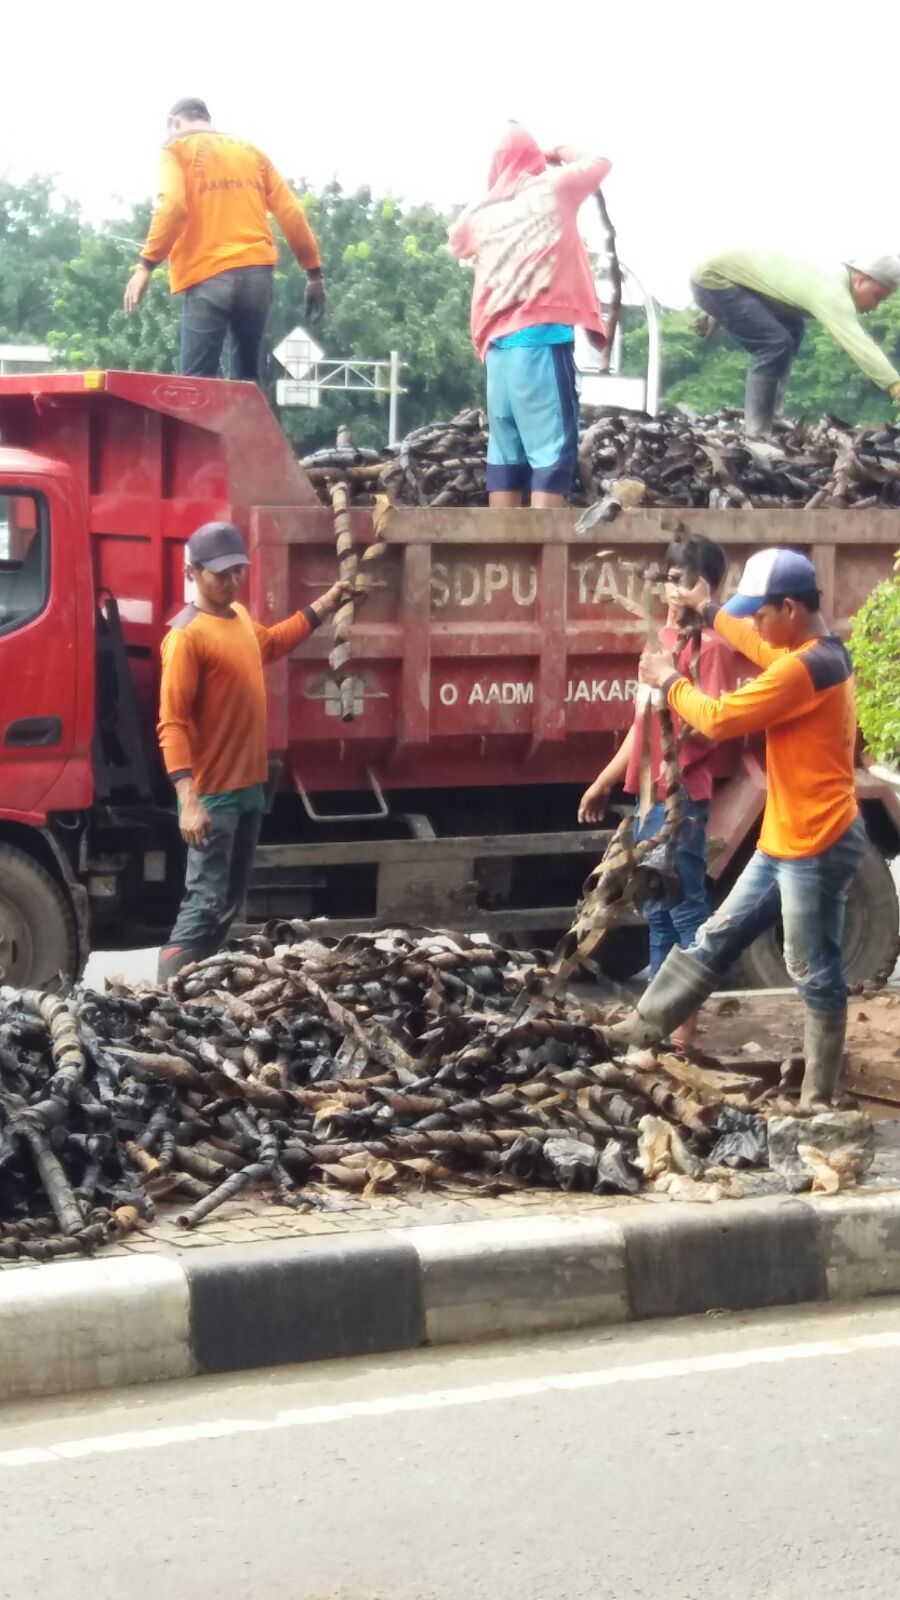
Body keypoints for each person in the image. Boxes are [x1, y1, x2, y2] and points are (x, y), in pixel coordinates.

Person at [609, 547, 867, 1110]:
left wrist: (669, 677)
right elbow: (752, 642)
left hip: (817, 843)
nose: (754, 625)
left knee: (810, 966)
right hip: (786, 837)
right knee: (714, 938)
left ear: (791, 608)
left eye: (762, 613)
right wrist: (713, 608)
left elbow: (720, 719)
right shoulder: (812, 648)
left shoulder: (804, 670)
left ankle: (817, 1098)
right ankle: (635, 1035)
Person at [156, 520, 351, 982]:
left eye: (237, 571)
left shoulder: (239, 618)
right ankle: (162, 999)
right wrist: (188, 801)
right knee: (203, 905)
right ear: (192, 572)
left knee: (227, 905)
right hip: (213, 795)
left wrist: (326, 604)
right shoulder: (186, 636)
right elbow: (172, 723)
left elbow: (270, 643)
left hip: (248, 789)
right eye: (220, 574)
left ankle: (199, 994)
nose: (231, 581)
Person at [578, 534, 737, 1047]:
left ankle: (684, 1033)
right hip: (650, 798)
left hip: (682, 797)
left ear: (704, 588)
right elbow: (640, 727)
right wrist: (603, 781)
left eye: (681, 579)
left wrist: (675, 694)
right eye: (667, 578)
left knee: (685, 906)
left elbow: (713, 726)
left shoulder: (710, 649)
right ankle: (659, 1027)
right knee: (656, 909)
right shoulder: (658, 646)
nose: (671, 589)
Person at [448, 125, 611, 508]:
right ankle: (545, 559)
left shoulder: (484, 214)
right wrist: (555, 151)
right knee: (550, 453)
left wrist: (492, 192)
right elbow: (601, 161)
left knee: (506, 454)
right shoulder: (554, 188)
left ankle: (504, 556)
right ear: (533, 160)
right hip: (539, 343)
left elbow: (456, 239)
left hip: (498, 355)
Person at [124, 97, 325, 383]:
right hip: (257, 276)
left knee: (196, 386)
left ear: (175, 123)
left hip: (209, 277)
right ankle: (243, 428)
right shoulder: (250, 151)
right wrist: (313, 272)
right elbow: (291, 211)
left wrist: (146, 265)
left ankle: (200, 428)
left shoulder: (175, 147)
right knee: (246, 382)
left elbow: (172, 206)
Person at [691, 249, 900, 439]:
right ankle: (757, 431)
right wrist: (894, 385)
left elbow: (768, 280)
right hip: (715, 280)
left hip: (732, 281)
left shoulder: (831, 276)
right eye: (877, 297)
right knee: (774, 344)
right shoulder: (833, 292)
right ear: (862, 280)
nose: (875, 307)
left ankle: (773, 417)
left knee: (793, 330)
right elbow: (858, 343)